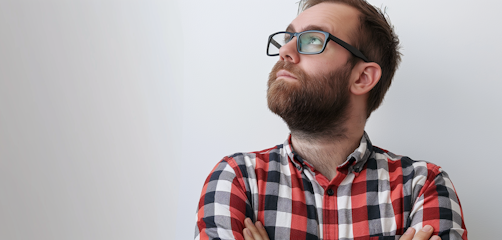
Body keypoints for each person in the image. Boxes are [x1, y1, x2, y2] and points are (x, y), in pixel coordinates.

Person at [194, 0, 467, 239]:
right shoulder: (238, 180)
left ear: (362, 77)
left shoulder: (423, 187)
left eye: (312, 39)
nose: (285, 51)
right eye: (288, 37)